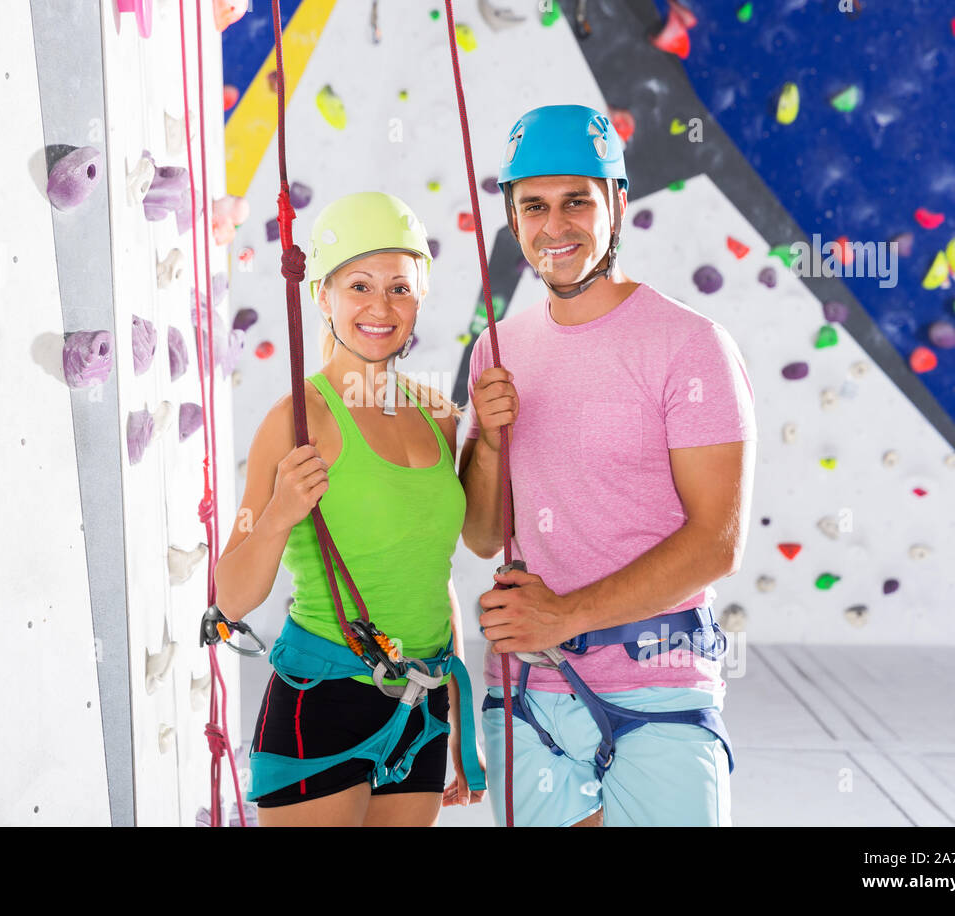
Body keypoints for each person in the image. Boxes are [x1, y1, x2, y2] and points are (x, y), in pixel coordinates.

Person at [460, 104, 758, 826]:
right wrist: (492, 443)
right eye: (533, 205)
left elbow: (717, 541)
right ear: (512, 216)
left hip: (658, 687)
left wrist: (561, 616)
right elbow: (480, 533)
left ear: (618, 202)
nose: (554, 227)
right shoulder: (497, 347)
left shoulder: (691, 346)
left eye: (576, 202)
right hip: (529, 696)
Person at [214, 191, 486, 826]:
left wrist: (456, 712)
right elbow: (229, 596)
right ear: (322, 296)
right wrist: (280, 511)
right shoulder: (297, 421)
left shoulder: (438, 416)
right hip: (325, 698)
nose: (380, 307)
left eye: (400, 287)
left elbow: (434, 569)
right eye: (360, 285)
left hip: (420, 708)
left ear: (419, 299)